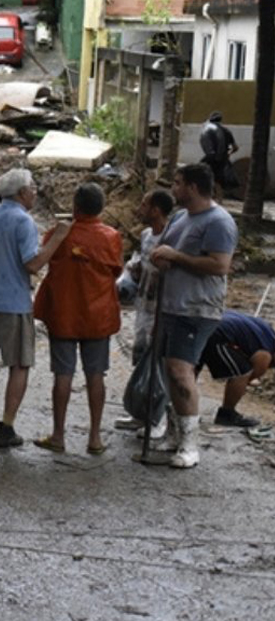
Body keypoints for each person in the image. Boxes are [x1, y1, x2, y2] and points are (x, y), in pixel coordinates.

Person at [0, 168, 71, 448]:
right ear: (21, 192)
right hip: (12, 303)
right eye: (32, 188)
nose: (35, 192)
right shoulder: (23, 222)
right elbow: (32, 264)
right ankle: (6, 427)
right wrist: (57, 239)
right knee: (19, 363)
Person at [149, 163, 238, 468]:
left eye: (177, 183)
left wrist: (177, 257)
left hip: (198, 308)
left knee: (180, 370)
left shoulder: (218, 222)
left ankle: (190, 444)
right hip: (172, 305)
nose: (172, 189)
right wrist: (160, 258)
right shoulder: (179, 218)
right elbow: (167, 251)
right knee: (170, 371)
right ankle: (174, 435)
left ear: (193, 187)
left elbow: (220, 265)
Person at [32, 183, 123, 455]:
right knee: (96, 375)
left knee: (63, 375)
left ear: (75, 206)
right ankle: (94, 438)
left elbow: (42, 259)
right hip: (98, 317)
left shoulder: (57, 235)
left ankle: (58, 435)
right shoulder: (111, 237)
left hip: (64, 314)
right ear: (101, 208)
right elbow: (116, 271)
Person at [114, 189, 175, 435]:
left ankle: (159, 418)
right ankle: (141, 413)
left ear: (156, 210)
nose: (139, 209)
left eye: (144, 204)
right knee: (141, 359)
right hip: (144, 306)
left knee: (160, 363)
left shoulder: (172, 238)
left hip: (163, 308)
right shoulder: (146, 235)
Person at [197, 310, 271, 428]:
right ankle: (227, 414)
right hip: (216, 333)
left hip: (204, 322)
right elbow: (259, 365)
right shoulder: (267, 351)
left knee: (189, 371)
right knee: (242, 373)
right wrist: (248, 381)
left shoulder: (265, 332)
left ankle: (176, 409)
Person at [199, 111, 239, 193]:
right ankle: (219, 200)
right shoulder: (226, 131)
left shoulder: (208, 129)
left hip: (211, 158)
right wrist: (228, 153)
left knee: (204, 176)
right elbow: (235, 147)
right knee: (218, 180)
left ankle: (209, 197)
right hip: (222, 159)